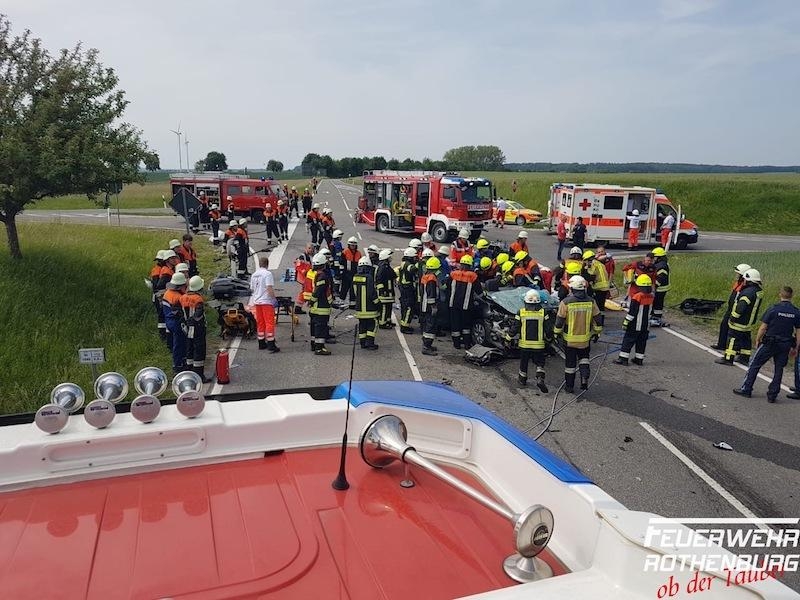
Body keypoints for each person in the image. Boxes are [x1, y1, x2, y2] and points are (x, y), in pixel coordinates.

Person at [733, 286, 800, 402]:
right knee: (779, 369)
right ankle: (772, 395)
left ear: (780, 294)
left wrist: (758, 339)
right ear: (791, 296)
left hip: (770, 343)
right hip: (785, 344)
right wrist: (796, 347)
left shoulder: (773, 309)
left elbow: (763, 327)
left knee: (754, 364)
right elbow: (799, 331)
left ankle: (746, 389)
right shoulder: (796, 312)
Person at [553, 275, 603, 392]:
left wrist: (556, 333)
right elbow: (598, 319)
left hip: (569, 340)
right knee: (584, 358)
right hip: (585, 339)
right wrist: (597, 332)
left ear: (572, 289)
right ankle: (584, 377)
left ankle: (569, 387)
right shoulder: (591, 301)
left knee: (570, 364)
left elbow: (559, 321)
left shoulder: (566, 302)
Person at [715, 269, 764, 366]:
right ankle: (744, 358)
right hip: (749, 321)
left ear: (749, 281)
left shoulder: (747, 293)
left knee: (732, 339)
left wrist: (733, 317)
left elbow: (741, 307)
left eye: (745, 279)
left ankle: (728, 358)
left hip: (740, 321)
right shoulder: (758, 291)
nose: (743, 281)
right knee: (745, 339)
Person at [510, 289, 552, 391]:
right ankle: (540, 378)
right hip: (539, 345)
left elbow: (515, 328)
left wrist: (508, 337)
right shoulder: (543, 312)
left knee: (524, 363)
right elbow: (548, 328)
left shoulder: (521, 312)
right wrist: (550, 338)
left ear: (525, 301)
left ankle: (522, 379)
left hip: (524, 345)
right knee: (540, 363)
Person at [614, 274, 655, 366]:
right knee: (641, 342)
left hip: (635, 324)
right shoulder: (651, 296)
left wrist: (626, 322)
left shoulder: (637, 296)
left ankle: (623, 359)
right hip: (645, 325)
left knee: (628, 340)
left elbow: (632, 312)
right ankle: (639, 359)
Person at [712, 264, 750, 350]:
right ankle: (721, 344)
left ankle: (732, 347)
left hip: (735, 310)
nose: (736, 275)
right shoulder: (738, 283)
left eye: (738, 274)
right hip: (730, 308)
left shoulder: (745, 286)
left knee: (732, 330)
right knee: (724, 325)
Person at [181, 275, 210, 382]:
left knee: (189, 350)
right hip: (198, 328)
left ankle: (189, 373)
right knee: (199, 351)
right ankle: (199, 376)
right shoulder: (198, 299)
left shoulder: (183, 297)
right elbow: (198, 314)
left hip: (187, 328)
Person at [449, 254, 481, 349]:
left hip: (453, 303)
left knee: (455, 324)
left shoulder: (453, 274)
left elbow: (446, 286)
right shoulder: (473, 276)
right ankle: (467, 344)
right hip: (466, 305)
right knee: (466, 325)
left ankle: (456, 344)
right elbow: (479, 291)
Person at [249, 255, 280, 352]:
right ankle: (271, 344)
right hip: (266, 301)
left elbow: (252, 289)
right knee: (269, 322)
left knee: (260, 322)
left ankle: (261, 343)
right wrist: (274, 299)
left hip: (257, 302)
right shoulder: (267, 274)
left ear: (259, 264)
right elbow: (269, 288)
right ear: (267, 264)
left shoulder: (254, 275)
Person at [162, 272, 188, 375]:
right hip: (177, 322)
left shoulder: (168, 293)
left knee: (177, 343)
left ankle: (179, 363)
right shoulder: (178, 297)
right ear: (180, 286)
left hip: (169, 321)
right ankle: (178, 365)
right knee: (180, 343)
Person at [352, 256, 380, 350]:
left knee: (362, 325)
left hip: (359, 308)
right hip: (370, 308)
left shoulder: (355, 277)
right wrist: (378, 304)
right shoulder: (369, 278)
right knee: (372, 325)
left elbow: (355, 292)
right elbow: (372, 293)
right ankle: (370, 343)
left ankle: (363, 343)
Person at [309, 252, 334, 355]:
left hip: (315, 307)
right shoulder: (322, 276)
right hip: (321, 307)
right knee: (321, 327)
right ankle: (319, 348)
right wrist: (312, 300)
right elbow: (318, 291)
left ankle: (314, 344)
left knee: (314, 326)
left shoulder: (314, 274)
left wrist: (311, 301)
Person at [420, 257, 441, 355]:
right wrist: (433, 306)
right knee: (430, 326)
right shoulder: (432, 278)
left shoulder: (425, 276)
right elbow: (431, 294)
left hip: (424, 305)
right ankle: (426, 347)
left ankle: (427, 344)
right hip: (429, 306)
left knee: (427, 325)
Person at [398, 247, 419, 334]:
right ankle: (404, 327)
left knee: (406, 307)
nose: (415, 259)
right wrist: (419, 263)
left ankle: (404, 324)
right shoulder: (407, 264)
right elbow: (413, 269)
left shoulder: (404, 263)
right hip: (407, 289)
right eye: (414, 257)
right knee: (408, 307)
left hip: (405, 288)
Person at [375, 249, 397, 329]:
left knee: (389, 307)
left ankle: (388, 321)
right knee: (384, 308)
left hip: (389, 292)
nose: (391, 258)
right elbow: (379, 280)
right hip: (385, 293)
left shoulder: (386, 266)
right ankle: (382, 323)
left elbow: (392, 275)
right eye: (389, 257)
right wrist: (382, 291)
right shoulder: (382, 267)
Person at [340, 237, 361, 308]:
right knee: (344, 288)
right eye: (351, 245)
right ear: (349, 245)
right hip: (346, 273)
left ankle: (352, 303)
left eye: (354, 245)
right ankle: (342, 301)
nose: (353, 246)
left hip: (355, 274)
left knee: (353, 289)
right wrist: (341, 273)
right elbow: (341, 263)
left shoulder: (358, 253)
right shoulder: (345, 252)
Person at [651, 247, 670, 326]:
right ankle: (654, 317)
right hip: (659, 289)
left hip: (660, 289)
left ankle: (656, 319)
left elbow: (660, 279)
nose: (653, 259)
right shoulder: (661, 264)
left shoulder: (662, 266)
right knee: (656, 303)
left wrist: (653, 288)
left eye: (654, 257)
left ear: (659, 257)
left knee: (658, 304)